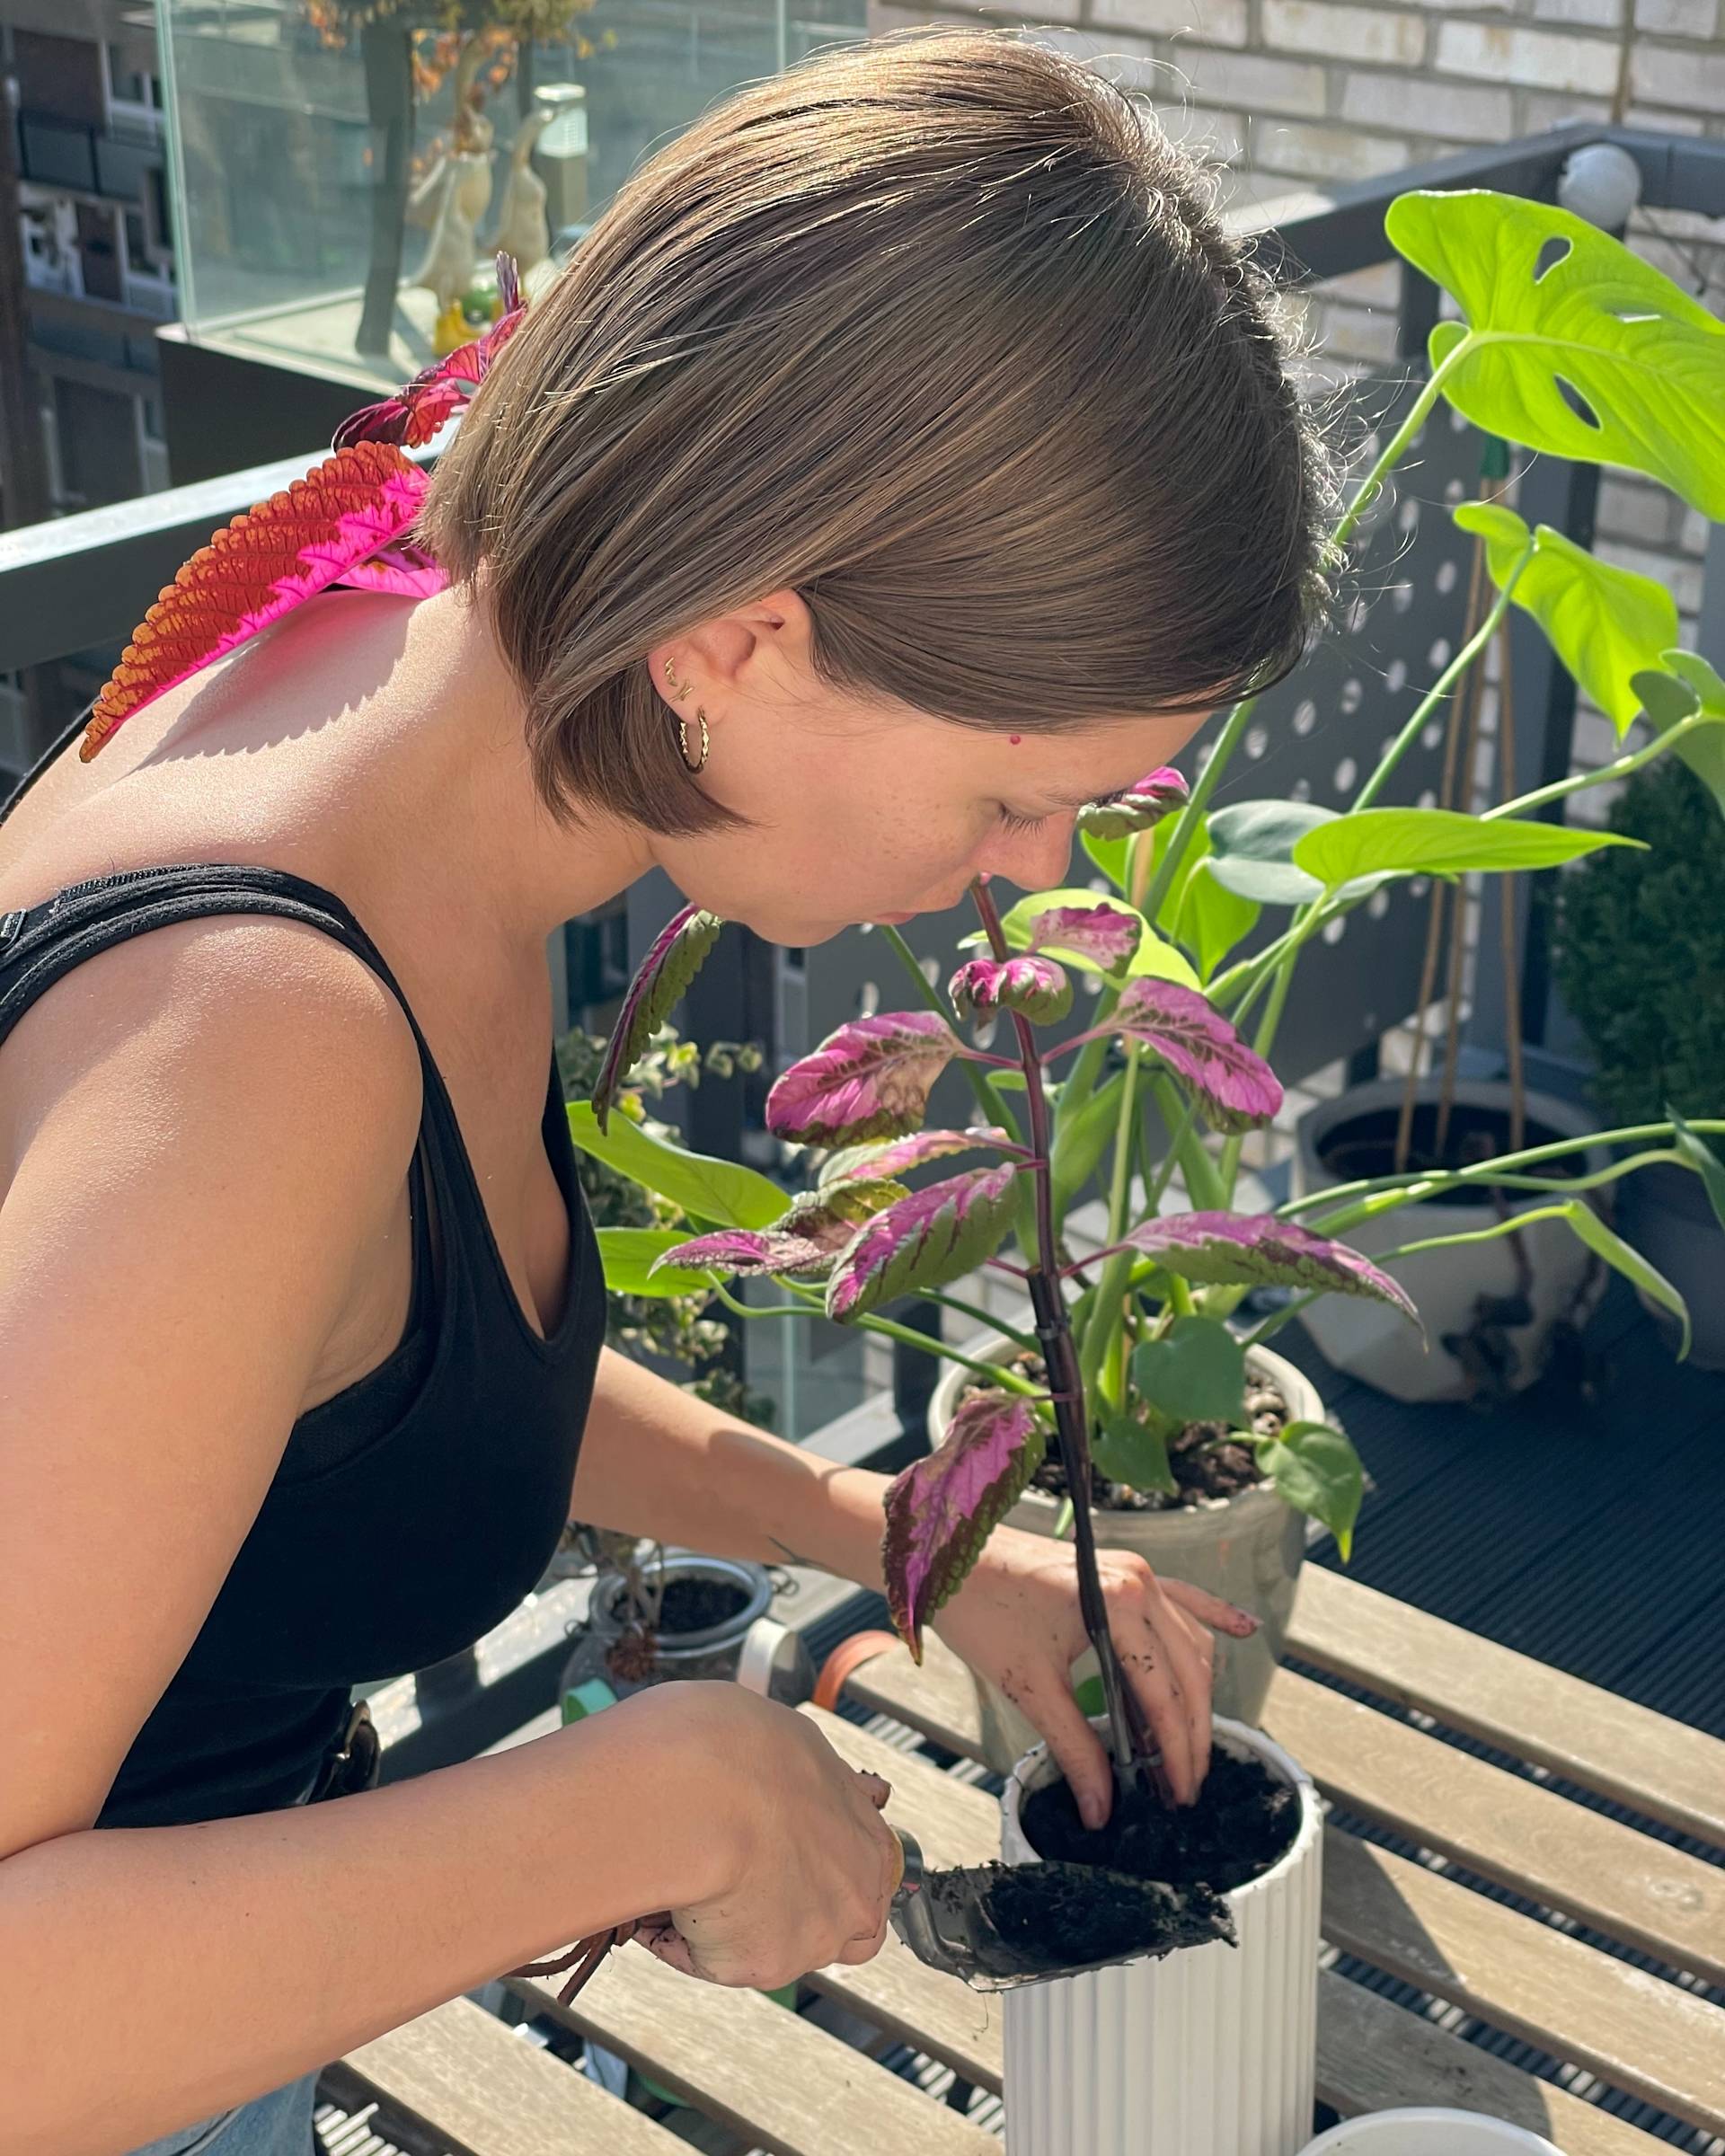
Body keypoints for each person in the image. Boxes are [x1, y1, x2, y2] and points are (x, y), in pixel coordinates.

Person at [0, 25, 1339, 2156]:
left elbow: (316, 1373)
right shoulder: (260, 1034)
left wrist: (872, 1525)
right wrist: (626, 1808)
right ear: (739, 638)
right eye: (1022, 787)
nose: (1041, 873)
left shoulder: (386, 644)